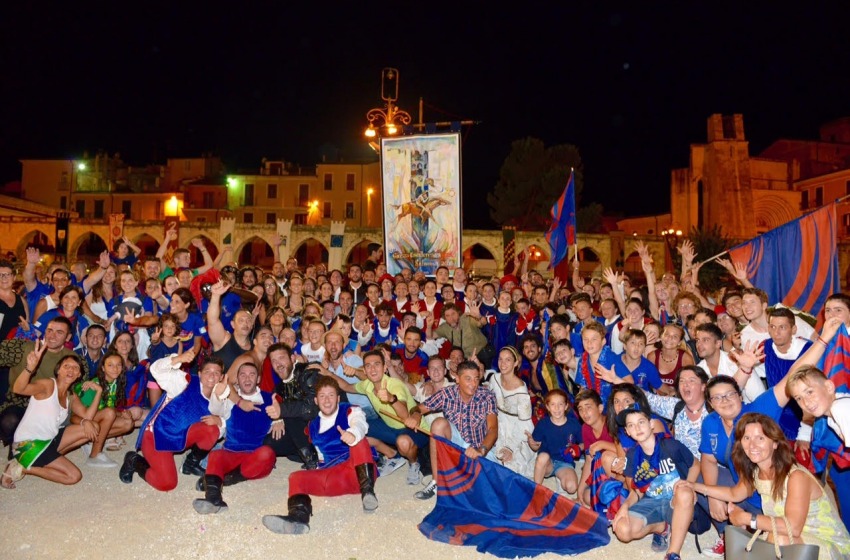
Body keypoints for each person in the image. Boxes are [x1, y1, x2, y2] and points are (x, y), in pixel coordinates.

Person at [687, 413, 850, 560]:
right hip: (784, 537)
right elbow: (734, 493)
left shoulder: (796, 476)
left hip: (825, 546)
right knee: (762, 544)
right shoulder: (756, 472)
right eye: (747, 438)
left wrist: (747, 519)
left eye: (760, 438)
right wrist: (694, 486)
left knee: (777, 540)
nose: (752, 445)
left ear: (775, 443)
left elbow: (792, 528)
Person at [262, 375, 379, 534]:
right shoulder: (313, 425)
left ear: (338, 398)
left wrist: (353, 434)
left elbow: (360, 424)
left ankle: (368, 493)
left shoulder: (350, 410)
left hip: (358, 472)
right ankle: (298, 519)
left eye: (331, 395)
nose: (327, 400)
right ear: (316, 401)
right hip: (335, 475)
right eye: (322, 396)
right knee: (295, 477)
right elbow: (320, 456)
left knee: (360, 440)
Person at [119, 352, 223, 491]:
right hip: (157, 436)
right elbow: (155, 370)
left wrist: (220, 420)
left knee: (213, 428)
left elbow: (224, 430)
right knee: (167, 483)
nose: (211, 376)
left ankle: (190, 464)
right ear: (199, 374)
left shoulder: (220, 397)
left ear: (221, 377)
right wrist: (177, 359)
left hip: (181, 436)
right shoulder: (184, 382)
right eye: (207, 371)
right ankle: (134, 460)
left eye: (216, 373)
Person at [611, 404, 699, 560]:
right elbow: (637, 491)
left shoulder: (670, 445)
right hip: (651, 501)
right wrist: (624, 507)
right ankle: (661, 527)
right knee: (622, 530)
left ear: (651, 424)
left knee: (684, 492)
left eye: (641, 422)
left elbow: (695, 464)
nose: (637, 428)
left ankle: (673, 553)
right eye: (631, 425)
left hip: (676, 502)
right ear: (628, 432)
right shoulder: (632, 455)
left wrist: (690, 484)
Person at [2, 348, 98, 489]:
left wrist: (99, 391)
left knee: (92, 427)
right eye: (66, 366)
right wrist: (29, 368)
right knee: (74, 476)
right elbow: (18, 389)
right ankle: (21, 467)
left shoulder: (71, 396)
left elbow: (88, 415)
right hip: (28, 444)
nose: (70, 370)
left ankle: (41, 460)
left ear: (79, 375)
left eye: (75, 368)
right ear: (58, 370)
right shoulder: (48, 385)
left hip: (48, 440)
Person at [404, 360, 499, 500]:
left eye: (476, 379)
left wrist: (481, 450)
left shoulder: (487, 396)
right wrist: (416, 415)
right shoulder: (447, 393)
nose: (473, 384)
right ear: (457, 378)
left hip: (480, 449)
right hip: (457, 447)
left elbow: (493, 429)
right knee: (438, 424)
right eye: (468, 379)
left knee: (489, 492)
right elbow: (417, 408)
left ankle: (463, 474)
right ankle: (436, 482)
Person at [193, 361, 276, 514]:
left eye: (252, 374)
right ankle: (213, 498)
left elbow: (283, 411)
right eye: (243, 375)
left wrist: (279, 420)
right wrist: (218, 395)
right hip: (231, 452)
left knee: (267, 453)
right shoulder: (230, 399)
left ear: (258, 379)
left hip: (255, 457)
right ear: (237, 380)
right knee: (216, 455)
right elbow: (215, 409)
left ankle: (224, 479)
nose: (247, 378)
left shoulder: (269, 398)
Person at [263, 342, 320, 469]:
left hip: (320, 427)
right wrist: (277, 419)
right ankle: (304, 452)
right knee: (269, 443)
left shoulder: (308, 373)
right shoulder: (278, 388)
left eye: (281, 358)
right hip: (300, 432)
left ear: (292, 358)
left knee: (290, 415)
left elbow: (312, 409)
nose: (278, 364)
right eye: (274, 361)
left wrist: (282, 411)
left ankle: (312, 460)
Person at [486, 346, 536, 478]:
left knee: (509, 465)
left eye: (508, 360)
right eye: (500, 359)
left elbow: (525, 424)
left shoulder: (521, 391)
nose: (503, 363)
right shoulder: (494, 378)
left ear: (516, 363)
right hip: (497, 422)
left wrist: (511, 447)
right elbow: (489, 400)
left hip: (516, 430)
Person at [527, 389, 583, 494]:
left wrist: (577, 448)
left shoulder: (574, 424)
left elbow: (583, 443)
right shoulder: (543, 424)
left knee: (572, 488)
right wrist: (531, 443)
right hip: (548, 463)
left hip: (565, 463)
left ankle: (560, 477)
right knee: (543, 457)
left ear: (566, 406)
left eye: (560, 404)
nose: (557, 408)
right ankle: (536, 489)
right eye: (553, 404)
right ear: (547, 407)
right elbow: (535, 447)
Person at [787, 365, 850, 445]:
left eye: (809, 392)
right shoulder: (831, 418)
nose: (806, 402)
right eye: (799, 398)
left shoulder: (840, 409)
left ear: (829, 387)